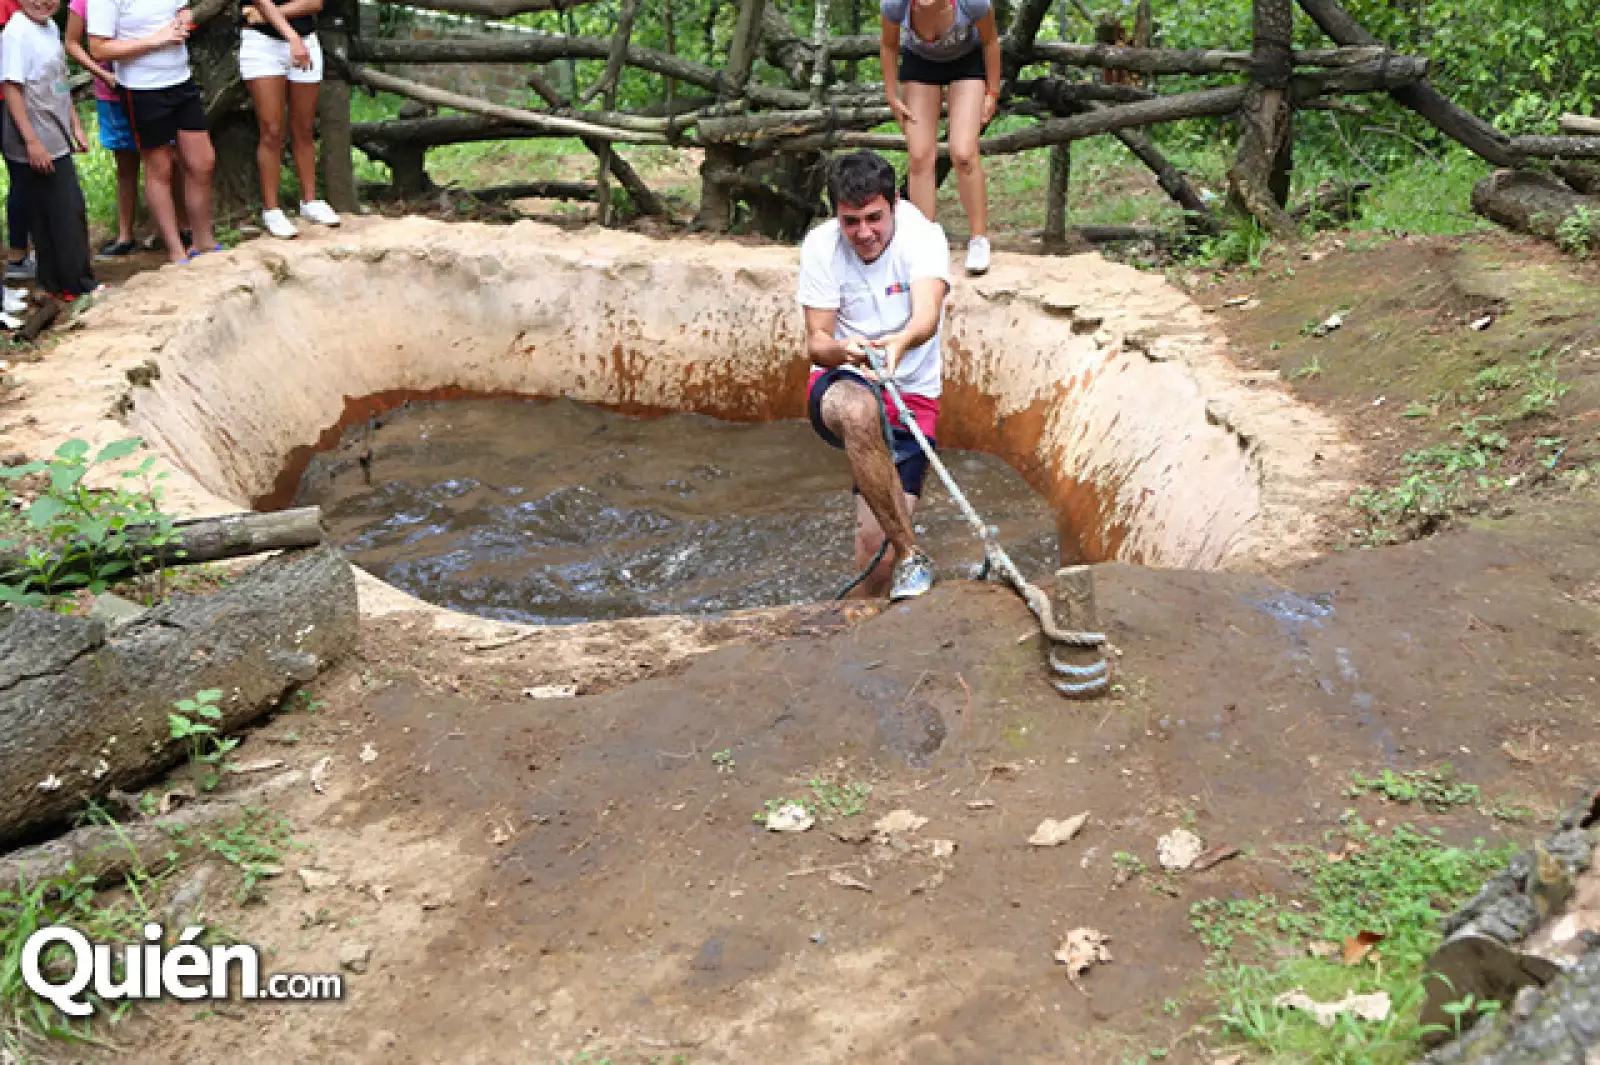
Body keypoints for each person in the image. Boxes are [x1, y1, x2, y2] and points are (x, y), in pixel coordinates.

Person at [797, 150, 950, 601]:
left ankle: (868, 610)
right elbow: (817, 342)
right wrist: (847, 350)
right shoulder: (820, 246)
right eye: (851, 222)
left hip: (912, 391)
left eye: (873, 218)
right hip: (845, 380)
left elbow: (926, 317)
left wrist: (898, 344)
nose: (864, 233)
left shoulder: (923, 237)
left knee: (873, 555)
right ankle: (911, 553)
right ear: (836, 217)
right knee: (859, 408)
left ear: (895, 203)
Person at [86, 0, 216, 263]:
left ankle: (204, 241)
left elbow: (183, 9)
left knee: (203, 161)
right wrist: (156, 41)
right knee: (160, 167)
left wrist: (183, 19)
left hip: (180, 79)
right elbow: (98, 48)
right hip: (141, 87)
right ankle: (175, 249)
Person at [879, 0, 1000, 275]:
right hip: (920, 66)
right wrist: (891, 94)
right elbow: (889, 45)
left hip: (967, 64)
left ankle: (978, 239)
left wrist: (992, 93)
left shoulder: (973, 4)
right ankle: (926, 243)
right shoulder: (895, 6)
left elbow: (991, 41)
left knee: (964, 152)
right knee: (920, 155)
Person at [64, 0, 187, 256]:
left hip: (153, 85)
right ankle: (125, 234)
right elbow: (72, 43)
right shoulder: (82, 3)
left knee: (170, 158)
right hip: (111, 91)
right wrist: (102, 75)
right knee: (126, 162)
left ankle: (180, 227)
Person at [1, 0, 97, 298]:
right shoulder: (16, 34)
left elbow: (60, 81)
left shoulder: (50, 26)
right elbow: (11, 89)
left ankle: (56, 284)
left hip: (55, 131)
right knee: (65, 210)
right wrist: (31, 141)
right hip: (33, 135)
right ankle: (79, 283)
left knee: (52, 211)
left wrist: (74, 123)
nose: (43, 1)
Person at [239, 0, 340, 238]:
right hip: (262, 44)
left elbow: (314, 2)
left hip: (306, 41)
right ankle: (272, 209)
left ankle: (310, 200)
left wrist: (266, 16)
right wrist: (291, 35)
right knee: (272, 129)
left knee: (304, 127)